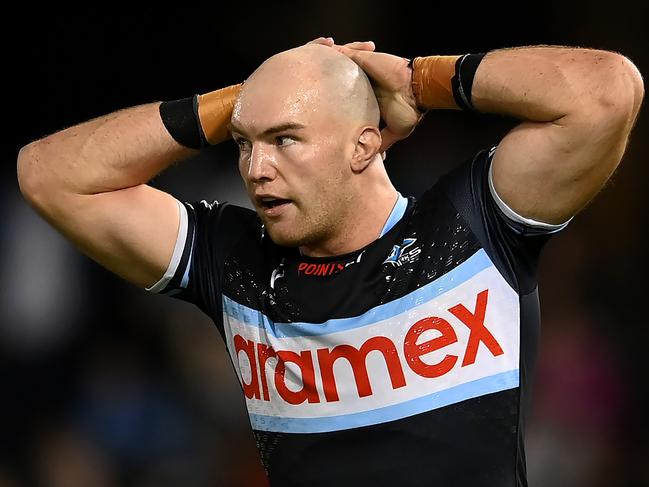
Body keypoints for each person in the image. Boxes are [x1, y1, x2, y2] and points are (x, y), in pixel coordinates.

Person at [17, 37, 643, 486]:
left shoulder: (471, 225)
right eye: (245, 145)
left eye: (286, 139)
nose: (257, 170)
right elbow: (46, 175)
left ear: (364, 145)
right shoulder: (230, 261)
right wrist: (243, 101)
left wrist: (420, 78)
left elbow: (608, 91)